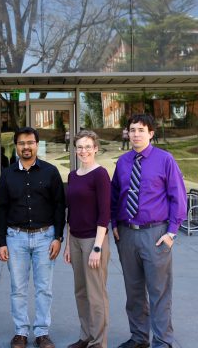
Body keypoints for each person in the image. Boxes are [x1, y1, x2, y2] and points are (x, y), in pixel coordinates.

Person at [111, 114, 187, 348]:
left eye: (141, 130)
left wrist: (171, 232)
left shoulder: (165, 159)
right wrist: (114, 224)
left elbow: (178, 197)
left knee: (159, 292)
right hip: (127, 234)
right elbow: (115, 197)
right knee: (133, 292)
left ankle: (163, 341)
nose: (136, 134)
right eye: (132, 130)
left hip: (156, 234)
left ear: (151, 133)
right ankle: (139, 337)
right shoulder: (122, 162)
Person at [0, 127, 66, 348]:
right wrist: (1, 242)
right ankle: (21, 332)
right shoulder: (7, 174)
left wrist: (58, 237)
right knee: (18, 288)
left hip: (45, 237)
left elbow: (59, 206)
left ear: (37, 144)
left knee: (44, 288)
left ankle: (42, 332)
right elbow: (1, 208)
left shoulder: (50, 172)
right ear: (15, 146)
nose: (26, 147)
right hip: (15, 238)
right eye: (21, 143)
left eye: (30, 142)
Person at [64, 130, 111, 348]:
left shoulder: (100, 174)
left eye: (88, 146)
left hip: (94, 240)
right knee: (81, 291)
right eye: (80, 147)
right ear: (75, 150)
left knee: (96, 294)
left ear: (96, 149)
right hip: (75, 239)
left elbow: (104, 213)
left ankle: (98, 342)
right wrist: (67, 244)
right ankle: (86, 336)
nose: (83, 151)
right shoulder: (73, 175)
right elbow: (71, 212)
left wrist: (98, 248)